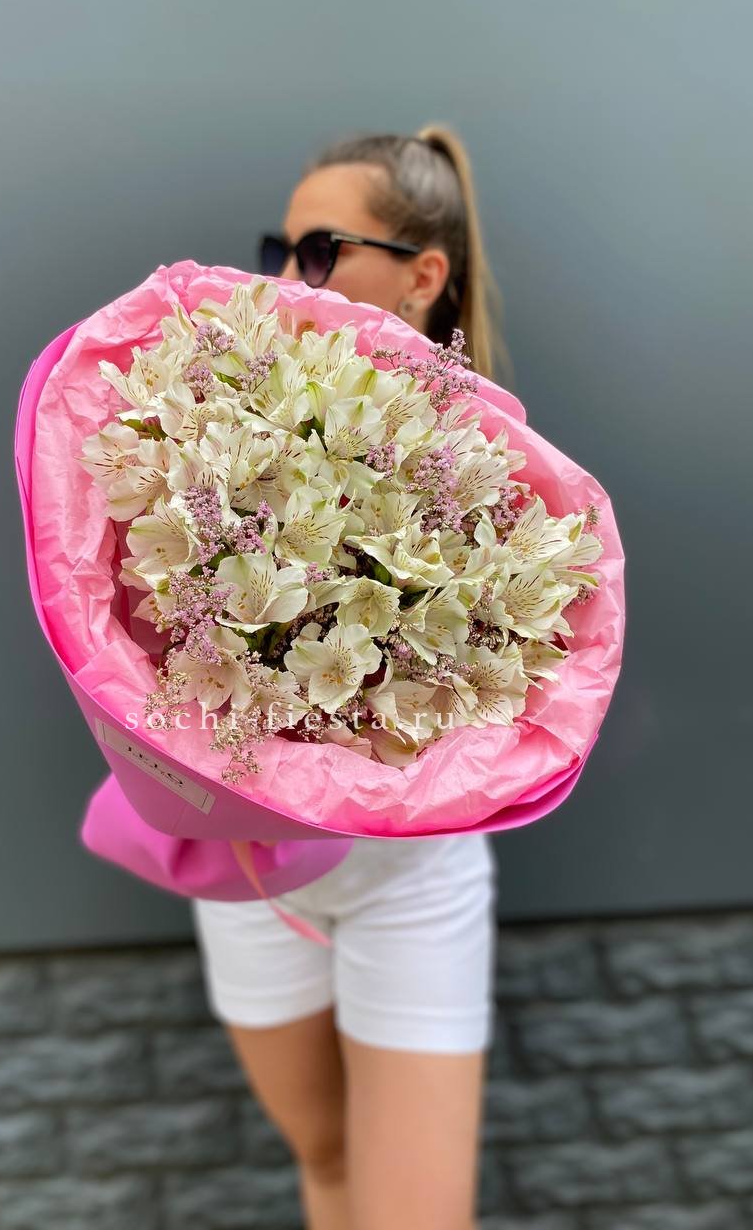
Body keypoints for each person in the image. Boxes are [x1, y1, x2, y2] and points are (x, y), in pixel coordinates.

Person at [190, 123, 511, 1230]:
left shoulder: (492, 465)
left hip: (409, 872)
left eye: (322, 249)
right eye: (281, 248)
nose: (291, 275)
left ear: (425, 275)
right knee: (326, 1162)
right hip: (249, 863)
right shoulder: (216, 418)